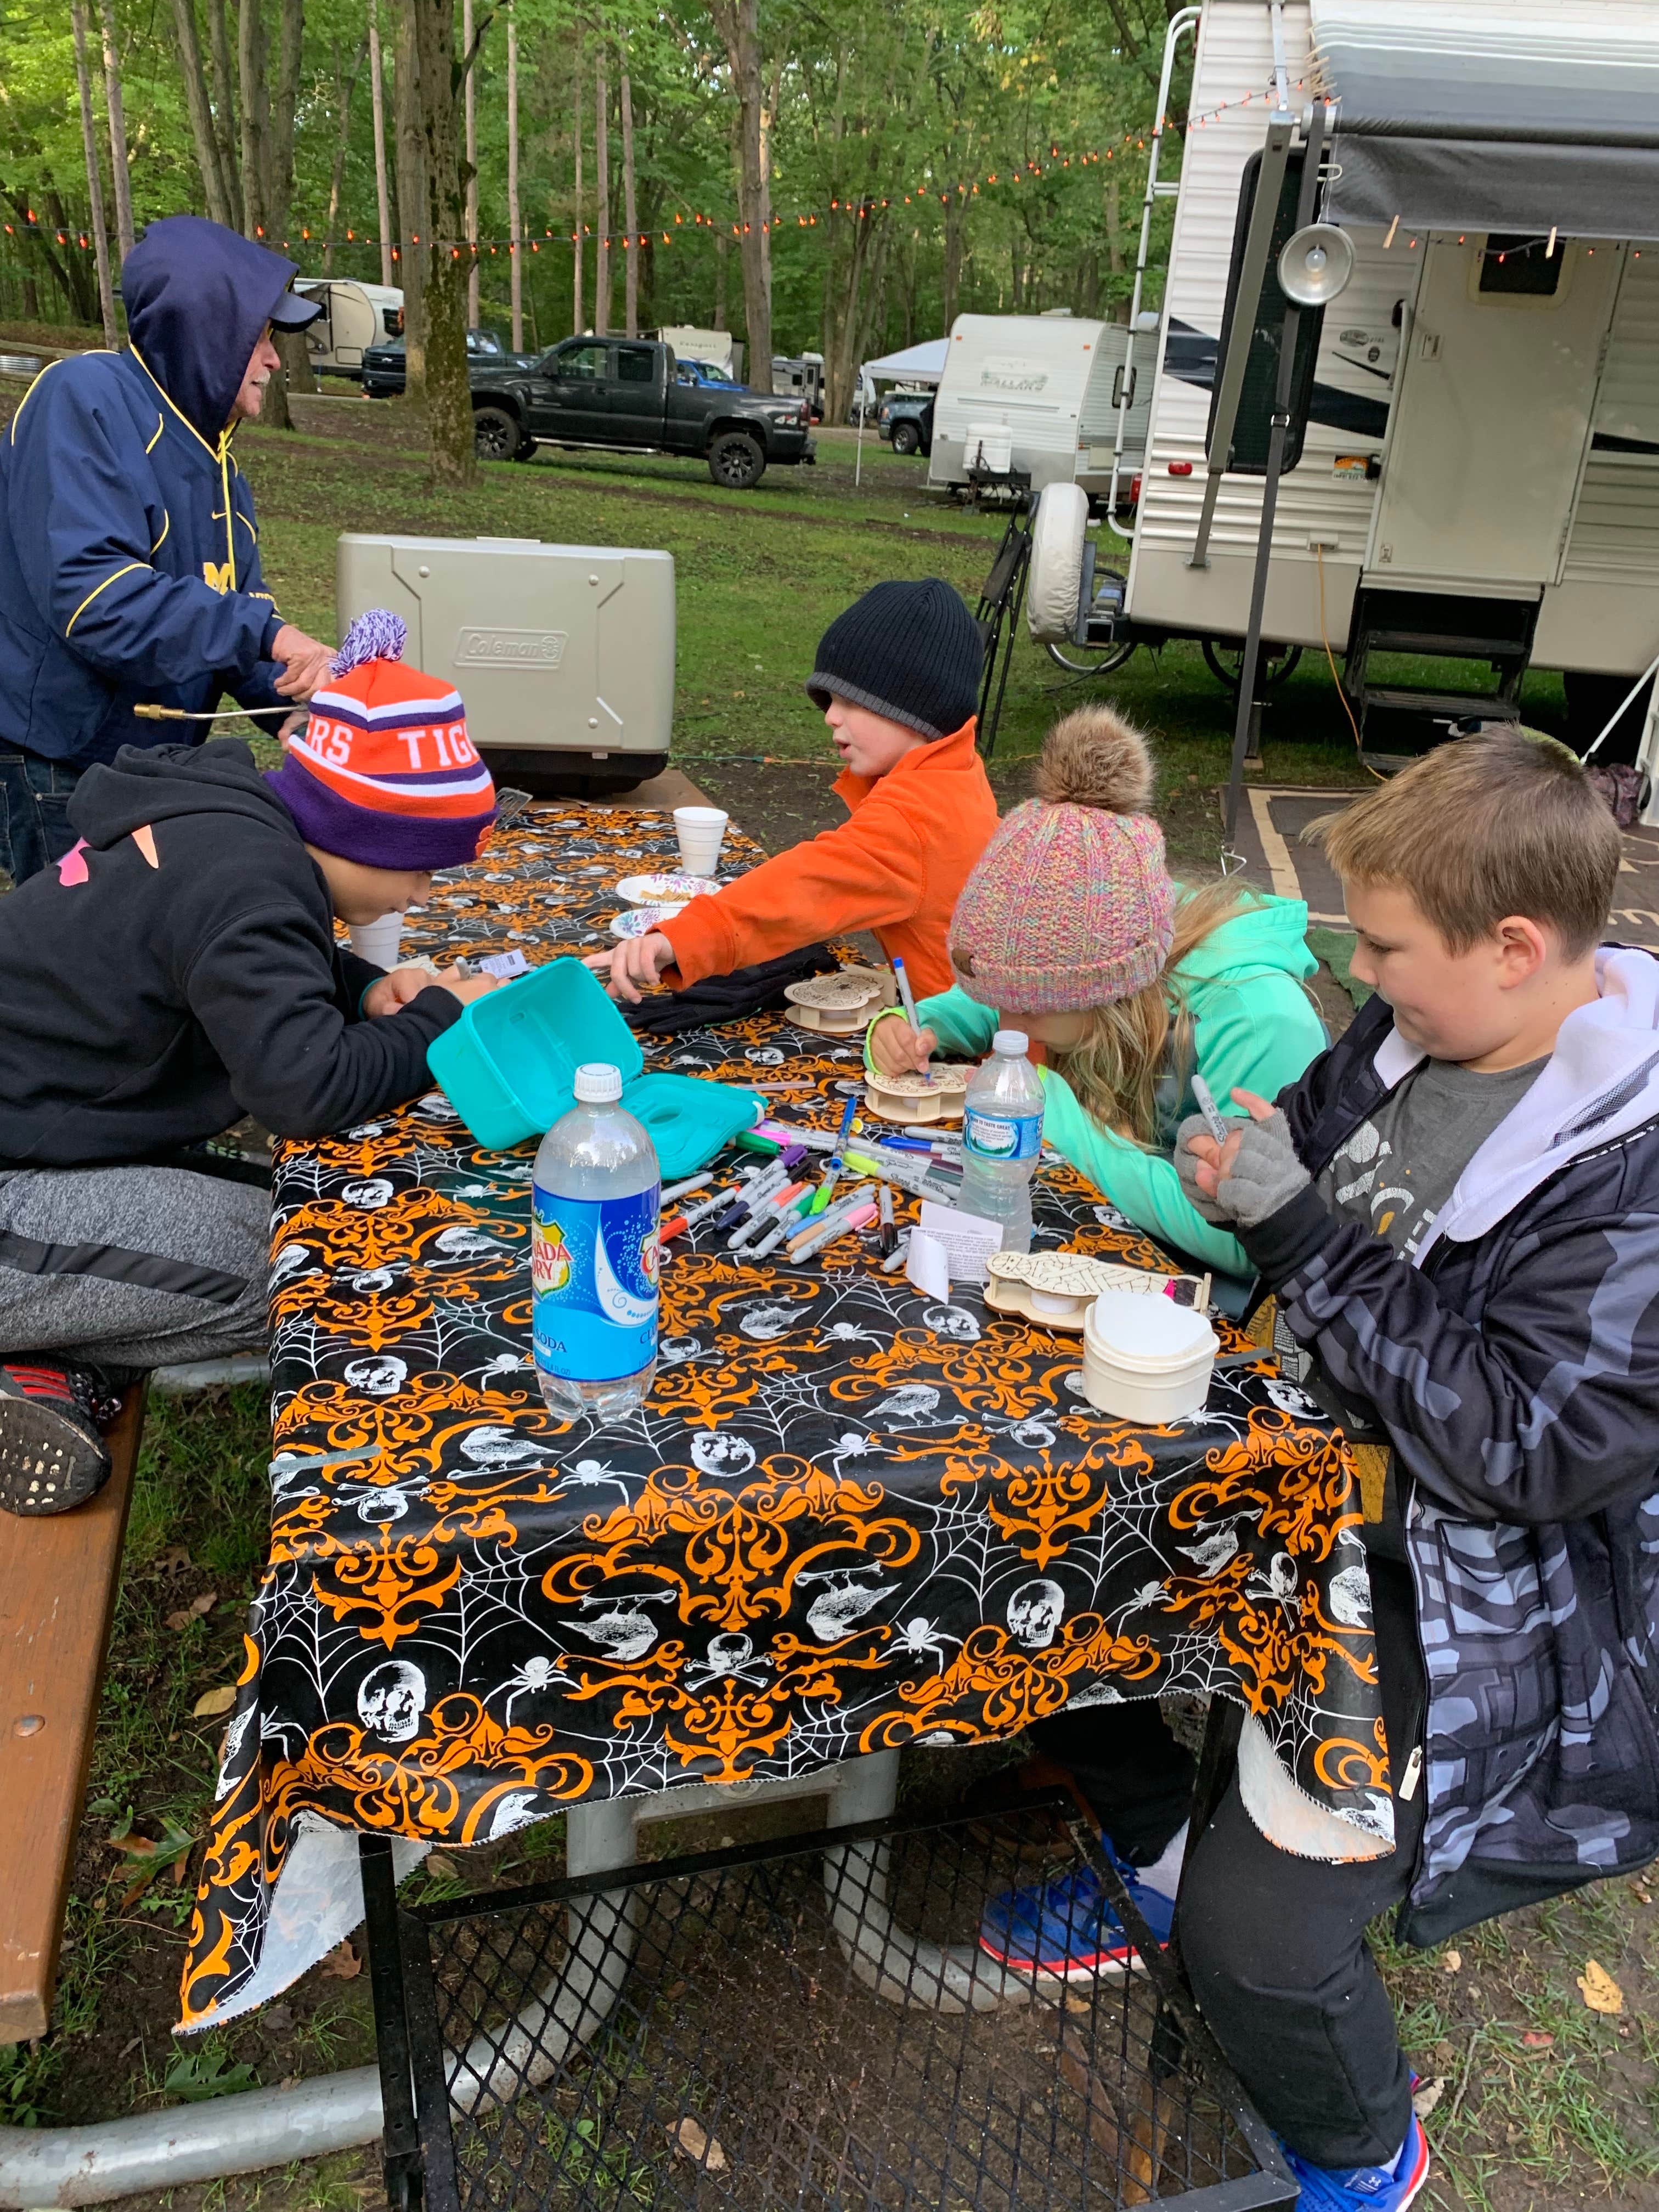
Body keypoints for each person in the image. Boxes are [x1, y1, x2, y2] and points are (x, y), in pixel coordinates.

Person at [992, 731, 1659, 2212]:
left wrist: (1298, 1237)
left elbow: (1522, 1447)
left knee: (1261, 1948)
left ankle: (1366, 2161)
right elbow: (1312, 1154)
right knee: (1018, 1579)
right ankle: (1163, 1845)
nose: (1356, 978)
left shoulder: (1631, 1173)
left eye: (1387, 947)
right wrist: (1249, 1159)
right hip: (1308, 1471)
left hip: (1487, 1592)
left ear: (1514, 947)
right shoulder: (1423, 1026)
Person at [0, 615, 501, 1516]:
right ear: (367, 831)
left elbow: (231, 964)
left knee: (285, 1207)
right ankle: (40, 1339)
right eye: (422, 868)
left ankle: (54, 1344)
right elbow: (303, 1091)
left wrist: (358, 994)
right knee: (308, 1270)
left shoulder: (239, 828)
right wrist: (433, 1016)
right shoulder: (249, 883)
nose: (422, 894)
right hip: (15, 1191)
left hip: (42, 1139)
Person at [866, 707, 1327, 1277]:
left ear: (1104, 988)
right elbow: (1010, 994)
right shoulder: (1106, 942)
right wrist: (914, 1026)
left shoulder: (1260, 1021)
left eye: (1029, 1005)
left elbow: (1252, 1248)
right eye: (1001, 998)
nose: (1007, 1022)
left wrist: (1064, 1124)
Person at [0, 214, 336, 884]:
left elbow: (238, 621)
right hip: (61, 761)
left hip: (151, 768)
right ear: (209, 330)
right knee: (82, 971)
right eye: (262, 337)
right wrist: (271, 635)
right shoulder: (83, 398)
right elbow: (96, 599)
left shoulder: (221, 467)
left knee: (138, 960)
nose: (274, 359)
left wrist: (301, 711)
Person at [592, 577, 996, 1004]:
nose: (831, 717)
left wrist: (682, 940)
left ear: (914, 709)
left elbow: (804, 890)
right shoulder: (958, 772)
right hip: (984, 1027)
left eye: (852, 702)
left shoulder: (915, 817)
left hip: (960, 1052)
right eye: (830, 700)